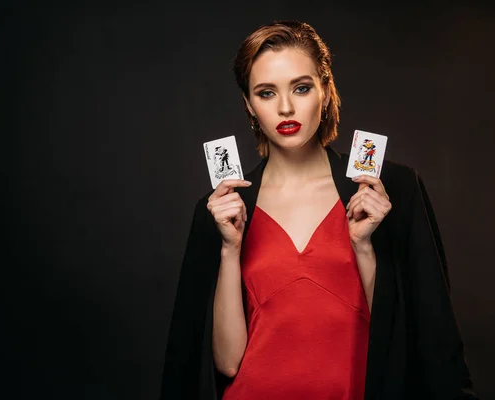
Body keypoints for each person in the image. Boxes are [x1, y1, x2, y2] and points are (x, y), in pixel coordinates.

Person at [160, 20, 477, 400]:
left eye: (301, 87)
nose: (286, 107)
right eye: (266, 93)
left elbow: (422, 341)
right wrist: (229, 249)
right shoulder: (220, 210)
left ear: (325, 91)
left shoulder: (392, 192)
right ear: (248, 104)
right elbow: (226, 364)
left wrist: (364, 249)